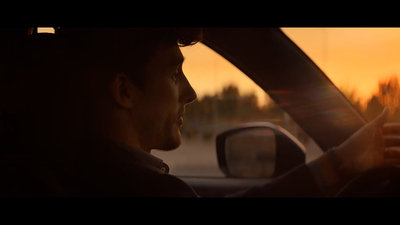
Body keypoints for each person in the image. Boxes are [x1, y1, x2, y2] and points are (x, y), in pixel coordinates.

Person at [1, 27, 400, 197]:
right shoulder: (144, 192)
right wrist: (341, 163)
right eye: (175, 73)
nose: (191, 93)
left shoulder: (67, 176)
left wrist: (341, 161)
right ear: (124, 90)